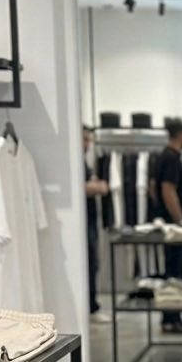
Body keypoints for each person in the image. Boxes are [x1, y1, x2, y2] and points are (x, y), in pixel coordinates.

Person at [156, 116, 182, 335]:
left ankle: (172, 318)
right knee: (174, 274)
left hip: (168, 225)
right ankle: (171, 319)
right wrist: (180, 222)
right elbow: (168, 190)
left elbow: (153, 188)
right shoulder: (171, 158)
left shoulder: (164, 156)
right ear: (181, 135)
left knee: (173, 272)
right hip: (174, 228)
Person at [83, 125, 110, 322]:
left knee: (93, 262)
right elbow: (84, 187)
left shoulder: (82, 161)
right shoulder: (75, 161)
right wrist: (97, 186)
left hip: (90, 219)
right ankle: (91, 308)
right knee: (90, 262)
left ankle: (92, 305)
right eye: (85, 139)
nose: (88, 144)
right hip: (84, 222)